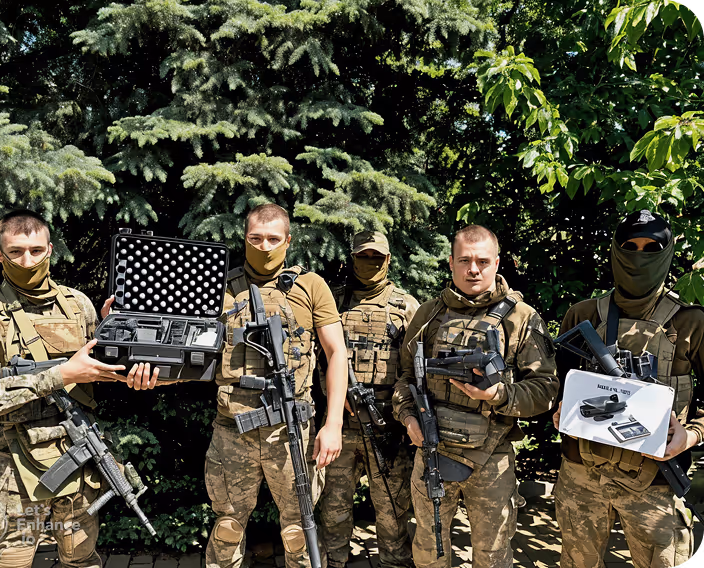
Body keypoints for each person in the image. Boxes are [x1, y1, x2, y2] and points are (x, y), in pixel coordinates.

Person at [0, 209, 147, 568]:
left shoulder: (78, 304)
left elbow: (98, 368)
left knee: (82, 561)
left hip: (80, 463)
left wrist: (128, 358)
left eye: (36, 250)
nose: (27, 260)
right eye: (16, 251)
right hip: (15, 479)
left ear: (50, 249)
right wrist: (59, 375)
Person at [392, 224, 559, 568]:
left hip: (491, 458)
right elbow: (406, 378)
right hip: (432, 451)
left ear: (496, 263)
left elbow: (545, 391)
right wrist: (408, 418)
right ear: (451, 263)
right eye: (465, 260)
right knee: (429, 547)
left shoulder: (521, 319)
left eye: (482, 261)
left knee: (493, 554)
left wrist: (498, 394)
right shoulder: (429, 315)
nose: (473, 269)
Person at [552, 210, 704, 568]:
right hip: (582, 473)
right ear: (616, 252)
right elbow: (557, 385)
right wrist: (558, 410)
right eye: (630, 246)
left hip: (656, 481)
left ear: (667, 253)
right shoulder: (583, 315)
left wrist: (692, 435)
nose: (640, 255)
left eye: (652, 247)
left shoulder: (692, 323)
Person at [205, 203, 347, 568]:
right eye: (255, 238)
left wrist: (333, 425)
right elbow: (180, 344)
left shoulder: (310, 286)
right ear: (245, 238)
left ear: (288, 240)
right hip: (231, 432)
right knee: (227, 529)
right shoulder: (219, 286)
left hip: (291, 432)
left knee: (299, 531)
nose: (264, 247)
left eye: (273, 239)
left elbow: (337, 354)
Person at [319, 231, 419, 568]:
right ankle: (334, 562)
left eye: (377, 257)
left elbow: (413, 370)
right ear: (352, 258)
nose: (370, 263)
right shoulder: (332, 300)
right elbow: (317, 359)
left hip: (388, 428)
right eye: (364, 256)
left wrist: (402, 411)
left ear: (389, 260)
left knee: (393, 510)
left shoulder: (406, 306)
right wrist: (335, 393)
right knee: (333, 509)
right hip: (341, 428)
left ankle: (394, 564)